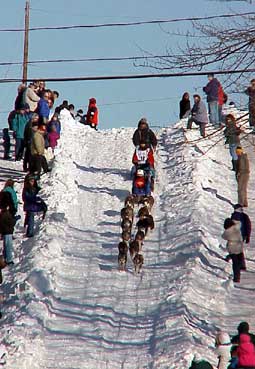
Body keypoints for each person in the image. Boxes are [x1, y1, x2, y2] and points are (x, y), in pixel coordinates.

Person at [222, 218, 244, 283]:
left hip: (232, 248)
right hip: (239, 246)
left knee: (235, 263)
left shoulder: (228, 232)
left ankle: (236, 277)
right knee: (239, 258)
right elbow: (239, 222)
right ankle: (241, 266)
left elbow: (223, 236)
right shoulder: (237, 227)